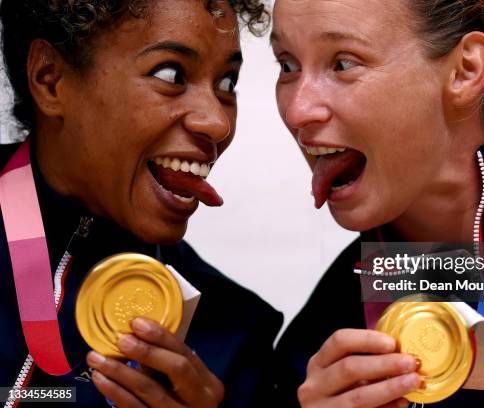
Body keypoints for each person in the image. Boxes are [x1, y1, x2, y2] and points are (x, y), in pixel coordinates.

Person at [270, 0, 484, 406]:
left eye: (344, 63)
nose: (297, 111)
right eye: (287, 65)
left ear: (465, 70)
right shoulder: (320, 356)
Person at [0, 1, 282, 407]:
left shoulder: (235, 334)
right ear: (50, 79)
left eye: (227, 84)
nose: (218, 123)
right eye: (171, 74)